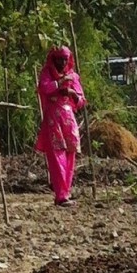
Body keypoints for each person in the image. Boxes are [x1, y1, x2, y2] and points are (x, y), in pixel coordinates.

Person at [35, 46, 86, 207]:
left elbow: (81, 100)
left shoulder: (73, 76)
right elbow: (45, 88)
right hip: (53, 118)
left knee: (70, 154)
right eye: (59, 59)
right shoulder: (47, 73)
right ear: (53, 60)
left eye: (64, 59)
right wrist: (59, 83)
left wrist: (71, 93)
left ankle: (67, 192)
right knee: (57, 155)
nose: (62, 63)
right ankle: (60, 195)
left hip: (68, 118)